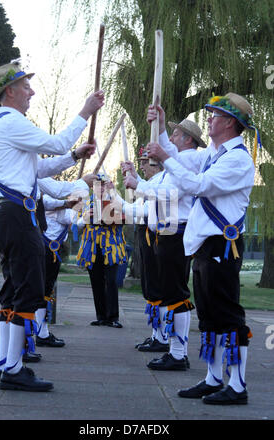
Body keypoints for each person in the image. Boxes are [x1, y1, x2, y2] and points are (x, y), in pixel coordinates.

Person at [0, 60, 104, 392]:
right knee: (28, 290)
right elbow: (53, 143)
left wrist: (76, 155)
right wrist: (85, 110)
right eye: (26, 87)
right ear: (9, 91)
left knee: (14, 290)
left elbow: (38, 168)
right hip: (15, 215)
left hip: (8, 214)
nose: (32, 92)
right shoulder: (11, 122)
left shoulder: (3, 125)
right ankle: (13, 368)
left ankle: (6, 366)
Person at [146, 93, 257, 404]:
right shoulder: (214, 154)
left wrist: (165, 157)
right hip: (207, 246)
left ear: (231, 123)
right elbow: (177, 157)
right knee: (209, 315)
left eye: (215, 115)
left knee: (228, 315)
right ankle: (213, 377)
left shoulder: (237, 159)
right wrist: (162, 127)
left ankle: (236, 385)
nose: (208, 118)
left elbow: (197, 185)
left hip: (224, 245)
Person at [124, 120, 205, 371]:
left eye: (177, 134)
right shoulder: (177, 162)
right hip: (167, 233)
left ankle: (178, 353)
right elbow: (157, 186)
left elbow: (167, 195)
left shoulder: (188, 161)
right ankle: (172, 348)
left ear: (189, 140)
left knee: (175, 293)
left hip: (176, 232)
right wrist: (159, 120)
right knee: (169, 292)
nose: (171, 137)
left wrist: (138, 185)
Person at [120, 148, 168, 352]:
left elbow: (142, 209)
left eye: (145, 163)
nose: (142, 166)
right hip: (146, 234)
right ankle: (157, 334)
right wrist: (133, 176)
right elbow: (144, 191)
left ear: (157, 165)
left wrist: (115, 200)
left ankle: (163, 337)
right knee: (150, 288)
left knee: (158, 286)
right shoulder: (154, 183)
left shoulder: (164, 181)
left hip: (157, 236)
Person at [76, 176, 126, 328]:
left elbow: (126, 217)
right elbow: (76, 224)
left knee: (111, 281)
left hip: (111, 247)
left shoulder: (116, 200)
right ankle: (101, 316)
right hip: (91, 248)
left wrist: (112, 216)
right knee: (96, 281)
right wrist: (86, 218)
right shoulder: (85, 203)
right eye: (98, 185)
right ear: (93, 187)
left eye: (104, 185)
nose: (101, 188)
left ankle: (113, 317)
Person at [34, 194, 78, 348]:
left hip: (49, 250)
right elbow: (74, 219)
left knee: (44, 290)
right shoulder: (50, 204)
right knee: (42, 290)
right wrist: (71, 203)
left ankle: (42, 332)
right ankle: (40, 334)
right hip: (47, 250)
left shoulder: (53, 205)